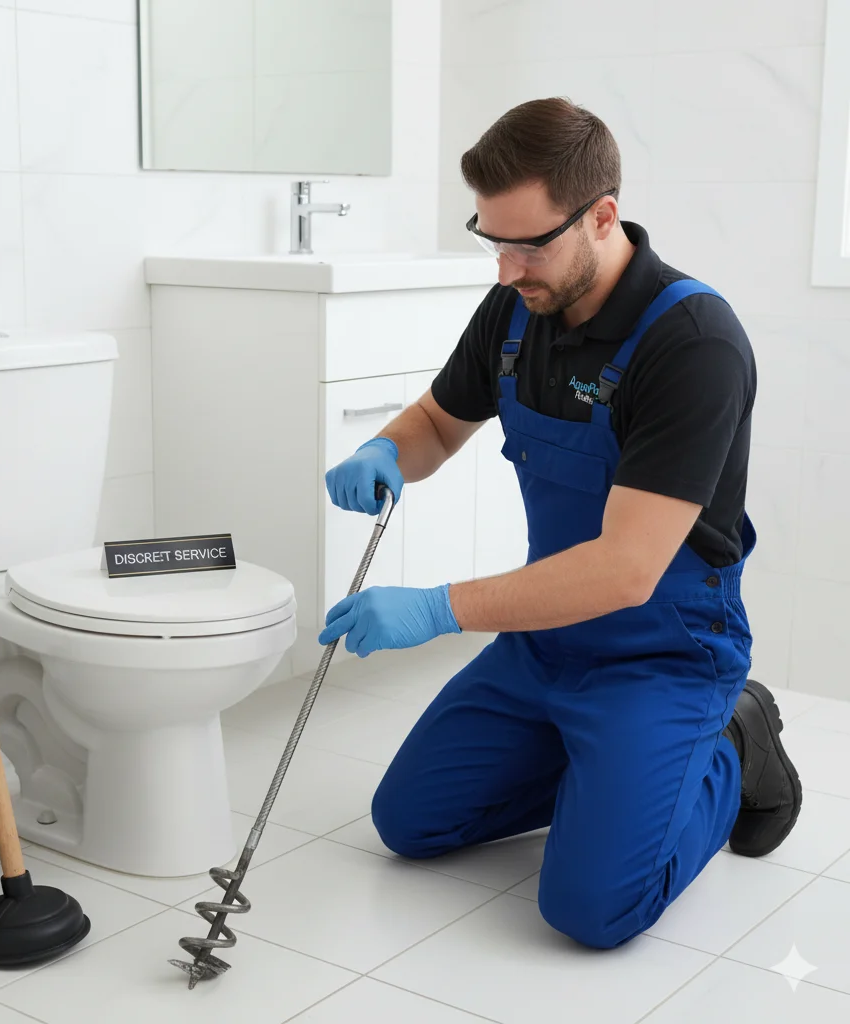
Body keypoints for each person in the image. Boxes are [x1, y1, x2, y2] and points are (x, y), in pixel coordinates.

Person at [318, 97, 802, 950]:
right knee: (408, 823)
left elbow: (624, 571)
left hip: (662, 653)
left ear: (602, 215)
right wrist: (386, 451)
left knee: (590, 909)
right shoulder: (517, 310)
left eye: (528, 244)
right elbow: (437, 423)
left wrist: (438, 609)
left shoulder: (692, 343)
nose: (506, 270)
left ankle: (734, 739)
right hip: (546, 643)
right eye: (491, 240)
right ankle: (609, 774)